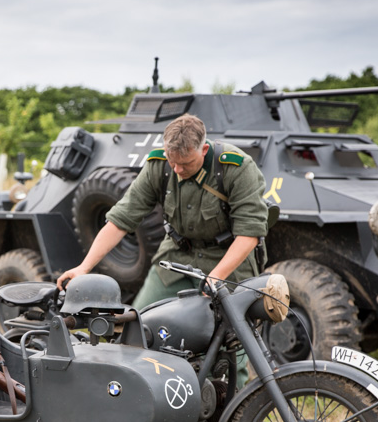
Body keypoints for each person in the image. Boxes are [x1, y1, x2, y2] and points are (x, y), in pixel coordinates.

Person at [57, 113, 269, 308]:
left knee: (231, 338)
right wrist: (84, 268)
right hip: (176, 257)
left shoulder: (236, 168)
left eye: (186, 163)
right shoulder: (159, 166)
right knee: (141, 324)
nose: (177, 170)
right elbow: (121, 219)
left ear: (203, 150)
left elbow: (249, 234)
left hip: (226, 260)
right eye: (172, 161)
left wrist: (215, 279)